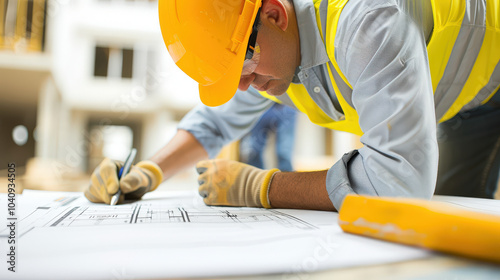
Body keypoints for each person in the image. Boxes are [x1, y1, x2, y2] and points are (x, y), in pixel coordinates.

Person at [85, 0, 500, 211]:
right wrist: (146, 172)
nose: (243, 85)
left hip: (490, 85)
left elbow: (400, 182)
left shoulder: (367, 18)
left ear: (275, 14)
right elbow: (215, 123)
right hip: (446, 96)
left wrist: (263, 188)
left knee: (450, 235)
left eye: (243, 66)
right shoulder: (268, 52)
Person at [239, 103, 297, 172]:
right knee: (253, 152)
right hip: (258, 105)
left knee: (284, 152)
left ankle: (287, 180)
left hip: (286, 106)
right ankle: (256, 180)